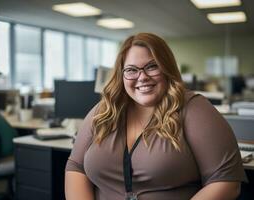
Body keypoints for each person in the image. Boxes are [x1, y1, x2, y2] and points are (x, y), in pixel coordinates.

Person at [65, 33, 247, 200]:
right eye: (131, 70)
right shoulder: (105, 110)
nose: (142, 77)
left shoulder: (194, 109)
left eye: (152, 66)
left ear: (167, 68)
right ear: (122, 75)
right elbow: (76, 167)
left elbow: (226, 182)